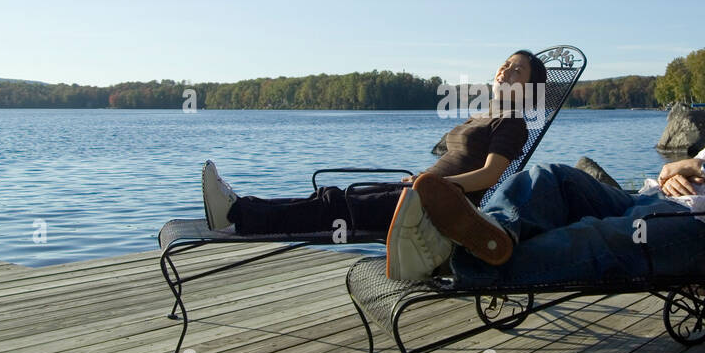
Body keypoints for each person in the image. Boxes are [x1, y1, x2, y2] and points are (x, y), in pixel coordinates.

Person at [386, 14, 705, 284]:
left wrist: (699, 165)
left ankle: (461, 264)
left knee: (598, 234)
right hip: (660, 198)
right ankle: (489, 234)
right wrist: (676, 172)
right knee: (552, 178)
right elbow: (689, 168)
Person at [200, 50, 548, 236]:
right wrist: (424, 180)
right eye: (506, 65)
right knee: (337, 197)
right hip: (420, 191)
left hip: (438, 207)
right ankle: (241, 210)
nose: (506, 71)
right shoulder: (485, 114)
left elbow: (490, 176)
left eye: (518, 71)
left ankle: (237, 214)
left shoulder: (512, 120)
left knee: (338, 209)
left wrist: (435, 184)